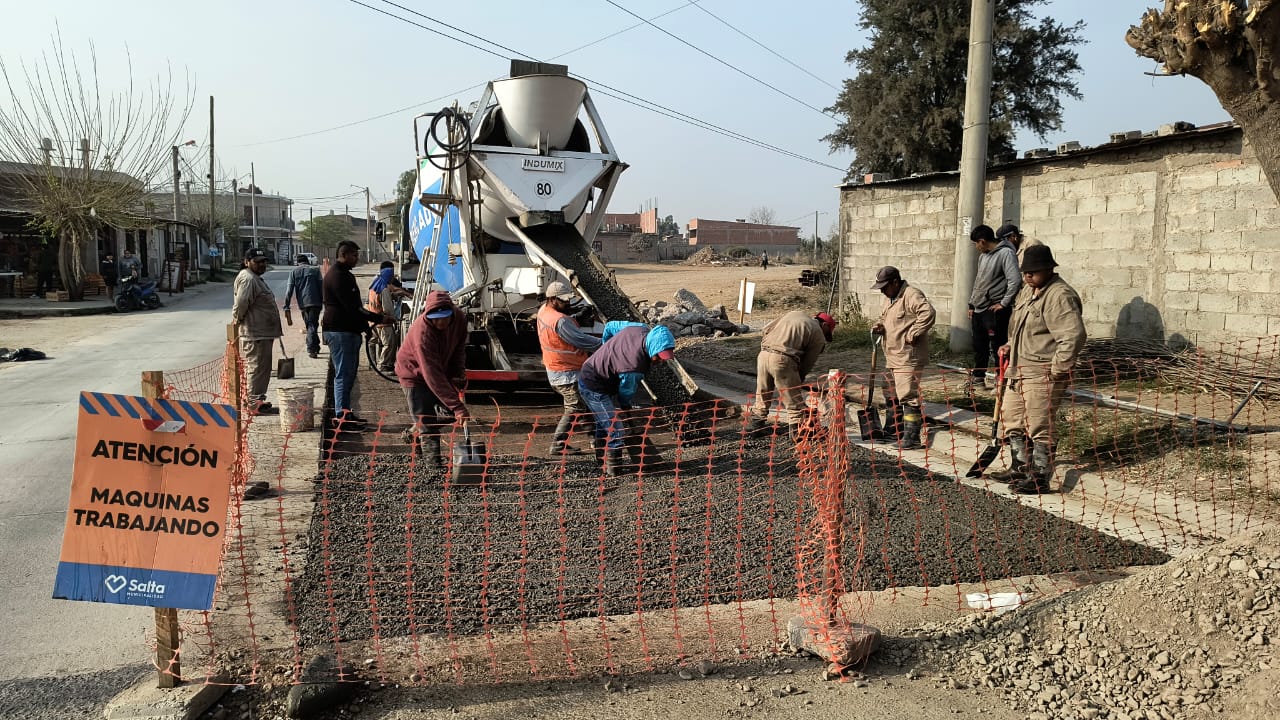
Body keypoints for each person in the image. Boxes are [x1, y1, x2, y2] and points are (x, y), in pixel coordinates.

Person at [996, 244, 1086, 494]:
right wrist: (1009, 344)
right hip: (1018, 368)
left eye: (1033, 272)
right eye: (1025, 272)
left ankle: (1040, 476)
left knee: (1039, 423)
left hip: (1043, 371)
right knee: (1011, 417)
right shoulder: (1028, 291)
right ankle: (1019, 467)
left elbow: (1073, 337)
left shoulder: (1059, 296)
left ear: (1048, 269)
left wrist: (1057, 369)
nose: (1027, 276)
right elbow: (1022, 327)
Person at [578, 323, 677, 477]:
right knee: (615, 429)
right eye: (659, 356)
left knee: (603, 424)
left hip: (597, 373)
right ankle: (614, 470)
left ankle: (602, 461)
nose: (661, 361)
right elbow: (626, 392)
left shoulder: (639, 328)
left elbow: (610, 326)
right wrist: (625, 406)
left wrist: (607, 349)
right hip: (593, 384)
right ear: (653, 346)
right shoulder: (634, 366)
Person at [395, 289, 469, 470]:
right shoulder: (423, 332)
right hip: (414, 374)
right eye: (436, 318)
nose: (441, 322)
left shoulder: (459, 318)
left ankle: (415, 432)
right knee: (427, 420)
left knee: (448, 414)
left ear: (451, 312)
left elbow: (459, 347)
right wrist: (458, 407)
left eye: (445, 317)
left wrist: (457, 372)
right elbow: (431, 374)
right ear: (428, 315)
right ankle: (433, 467)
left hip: (438, 369)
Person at [322, 240, 387, 430]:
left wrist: (366, 327)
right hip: (341, 331)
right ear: (343, 255)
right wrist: (379, 318)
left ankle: (345, 412)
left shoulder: (342, 274)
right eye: (354, 255)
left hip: (345, 330)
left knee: (347, 374)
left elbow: (355, 309)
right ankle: (342, 416)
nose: (357, 259)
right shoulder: (339, 277)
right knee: (343, 374)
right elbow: (354, 309)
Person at [871, 266, 936, 450]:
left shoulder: (911, 294)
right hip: (892, 355)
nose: (882, 291)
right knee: (890, 392)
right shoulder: (889, 299)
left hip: (908, 356)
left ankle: (912, 437)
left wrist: (915, 332)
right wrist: (880, 327)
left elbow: (928, 313)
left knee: (908, 395)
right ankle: (894, 430)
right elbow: (886, 319)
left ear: (895, 282)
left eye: (885, 286)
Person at [745, 310, 838, 438]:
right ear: (825, 326)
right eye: (827, 333)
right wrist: (797, 380)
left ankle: (753, 429)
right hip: (783, 359)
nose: (825, 336)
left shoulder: (794, 314)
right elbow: (808, 362)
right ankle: (798, 435)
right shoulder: (818, 334)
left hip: (763, 355)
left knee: (762, 395)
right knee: (794, 403)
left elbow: (766, 329)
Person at [537, 280, 601, 457]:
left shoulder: (544, 311)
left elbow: (564, 324)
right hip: (566, 373)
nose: (568, 303)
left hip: (558, 369)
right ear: (552, 299)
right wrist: (605, 344)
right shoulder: (560, 321)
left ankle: (596, 439)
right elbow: (580, 340)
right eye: (564, 301)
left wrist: (577, 316)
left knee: (583, 405)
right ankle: (558, 444)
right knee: (574, 407)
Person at [967, 224, 1021, 392]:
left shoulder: (1006, 254)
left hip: (995, 310)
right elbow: (979, 281)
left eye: (976, 243)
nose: (976, 247)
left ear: (982, 241)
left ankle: (1000, 381)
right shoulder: (983, 256)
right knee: (979, 345)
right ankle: (979, 378)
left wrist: (1004, 303)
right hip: (979, 309)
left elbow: (1014, 280)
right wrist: (971, 303)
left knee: (998, 346)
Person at [232, 248, 283, 415]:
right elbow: (241, 304)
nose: (262, 264)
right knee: (257, 367)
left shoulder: (255, 278)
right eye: (257, 261)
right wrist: (237, 320)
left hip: (262, 332)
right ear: (247, 262)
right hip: (255, 333)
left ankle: (258, 400)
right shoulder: (248, 279)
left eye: (263, 261)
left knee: (263, 369)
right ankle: (254, 403)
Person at [366, 261, 412, 372]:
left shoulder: (375, 285)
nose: (392, 279)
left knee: (376, 342)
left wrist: (395, 294)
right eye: (391, 277)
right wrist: (393, 318)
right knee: (389, 344)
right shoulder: (384, 289)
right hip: (383, 321)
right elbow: (387, 307)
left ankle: (375, 363)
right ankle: (383, 365)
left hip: (373, 318)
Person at [283, 253, 324, 359]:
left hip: (303, 304)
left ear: (298, 263)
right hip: (316, 303)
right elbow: (322, 287)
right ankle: (315, 345)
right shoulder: (315, 270)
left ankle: (311, 349)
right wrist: (324, 302)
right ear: (307, 261)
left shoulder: (294, 272)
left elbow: (289, 291)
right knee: (312, 325)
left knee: (310, 325)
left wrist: (286, 305)